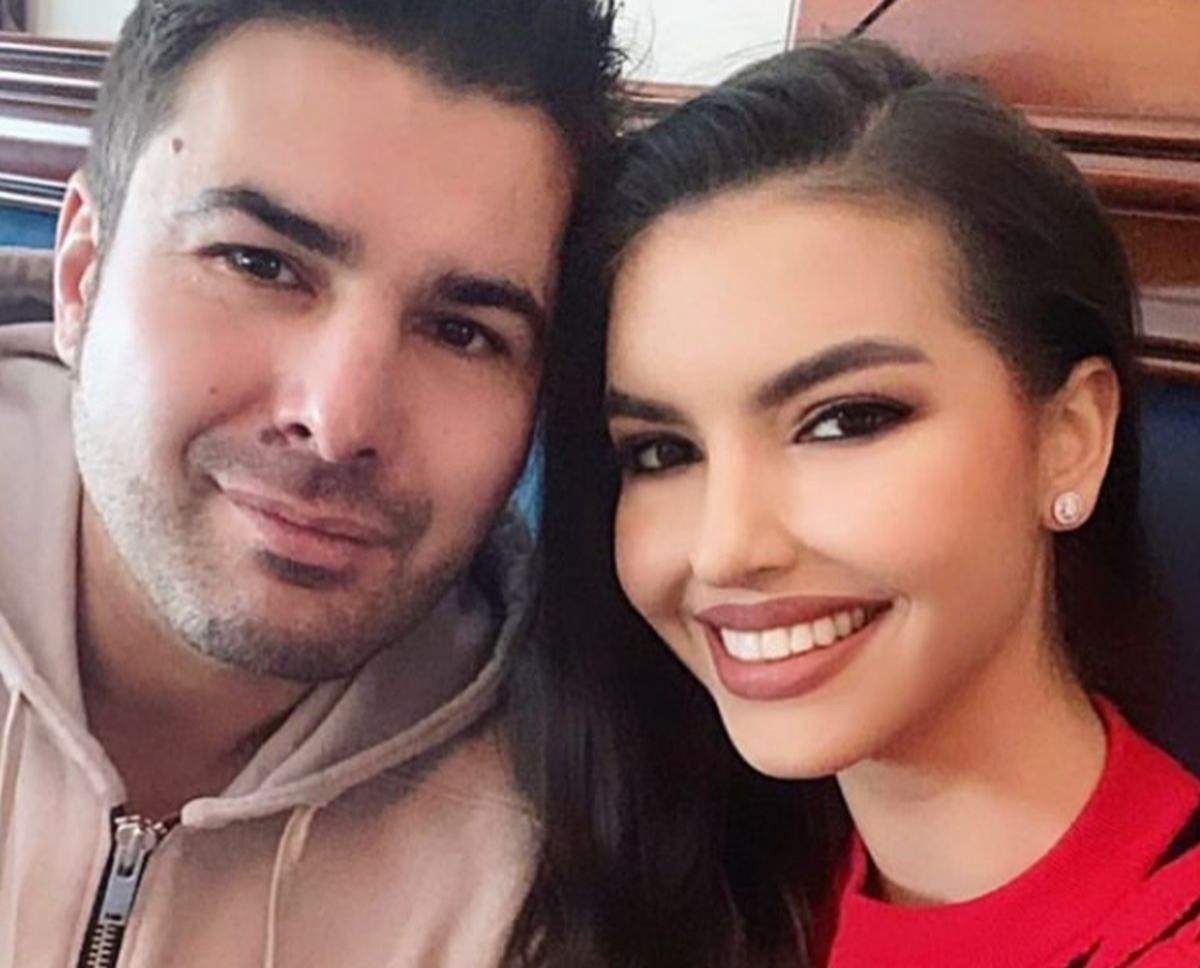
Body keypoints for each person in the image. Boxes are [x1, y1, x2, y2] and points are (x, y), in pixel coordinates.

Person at [507, 38, 1200, 967]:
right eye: (663, 452)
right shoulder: (708, 878)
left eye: (841, 422)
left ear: (1068, 439)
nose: (725, 547)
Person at [0, 1, 620, 964]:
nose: (340, 423)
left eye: (462, 332)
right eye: (260, 264)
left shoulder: (589, 836)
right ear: (81, 275)